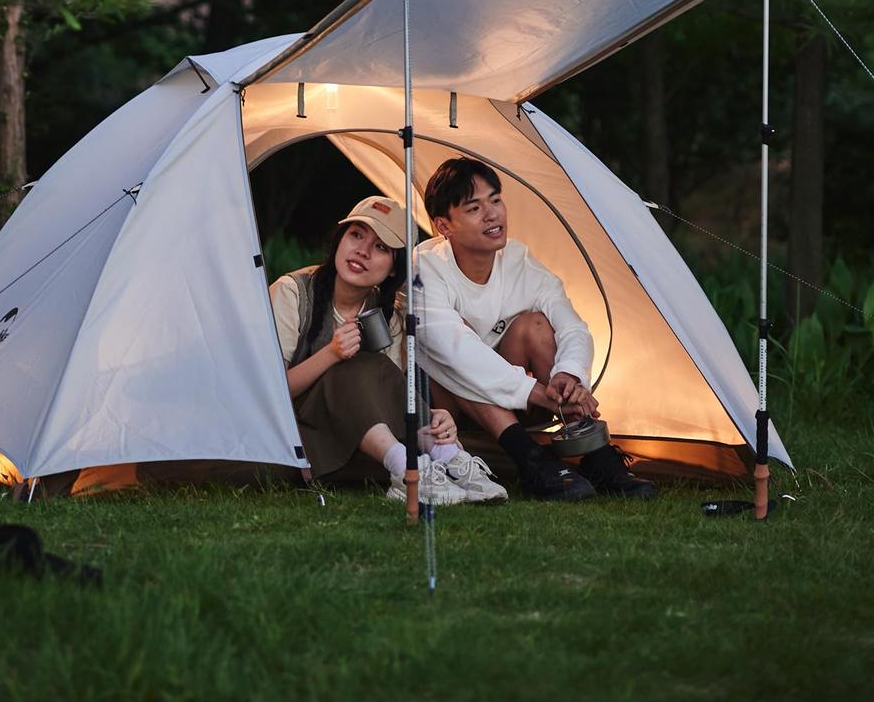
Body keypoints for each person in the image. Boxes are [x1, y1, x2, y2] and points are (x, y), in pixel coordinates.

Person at [416, 158, 656, 501]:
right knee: (456, 352)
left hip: (516, 400)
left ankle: (595, 455)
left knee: (536, 325)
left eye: (495, 200)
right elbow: (453, 350)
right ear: (444, 226)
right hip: (444, 409)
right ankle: (530, 458)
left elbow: (573, 327)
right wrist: (537, 392)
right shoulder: (425, 268)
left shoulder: (518, 261)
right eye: (474, 207)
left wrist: (569, 378)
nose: (492, 214)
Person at [268, 195, 507, 505]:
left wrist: (435, 416)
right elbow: (270, 393)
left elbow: (384, 396)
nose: (362, 251)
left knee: (377, 369)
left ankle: (448, 457)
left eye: (381, 247)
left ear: (394, 267)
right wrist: (331, 353)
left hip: (356, 437)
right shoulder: (293, 292)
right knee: (356, 365)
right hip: (299, 434)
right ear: (340, 239)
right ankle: (409, 472)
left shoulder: (387, 315)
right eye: (356, 235)